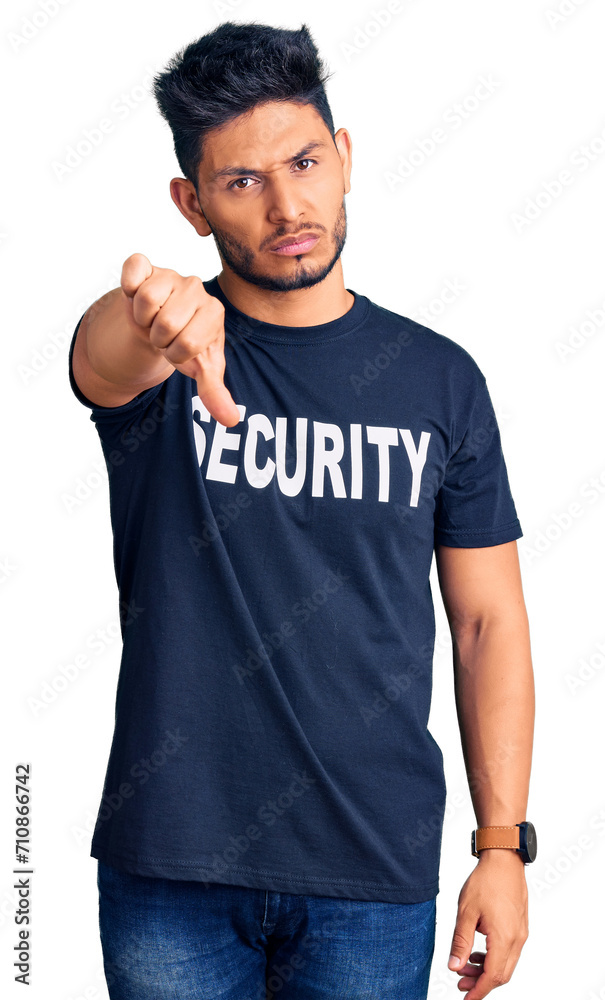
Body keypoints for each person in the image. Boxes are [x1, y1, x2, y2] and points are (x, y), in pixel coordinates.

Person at [68, 20, 535, 1000]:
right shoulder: (166, 359)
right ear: (191, 205)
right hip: (173, 871)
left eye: (304, 161)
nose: (287, 204)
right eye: (240, 181)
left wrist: (502, 848)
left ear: (345, 158)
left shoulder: (439, 383)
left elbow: (486, 621)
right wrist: (150, 311)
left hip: (373, 874)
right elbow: (103, 353)